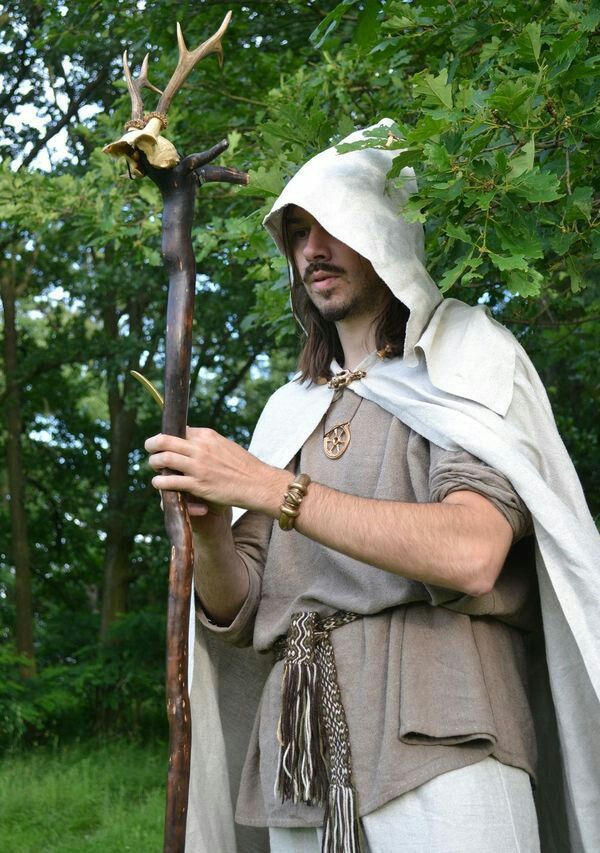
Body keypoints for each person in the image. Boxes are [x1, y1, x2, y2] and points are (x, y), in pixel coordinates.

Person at [145, 121, 600, 853]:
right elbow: (239, 605)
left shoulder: (461, 360)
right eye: (297, 233)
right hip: (304, 751)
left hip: (442, 731)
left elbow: (473, 552)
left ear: (386, 232)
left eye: (335, 227)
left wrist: (271, 488)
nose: (311, 251)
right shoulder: (288, 410)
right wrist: (208, 521)